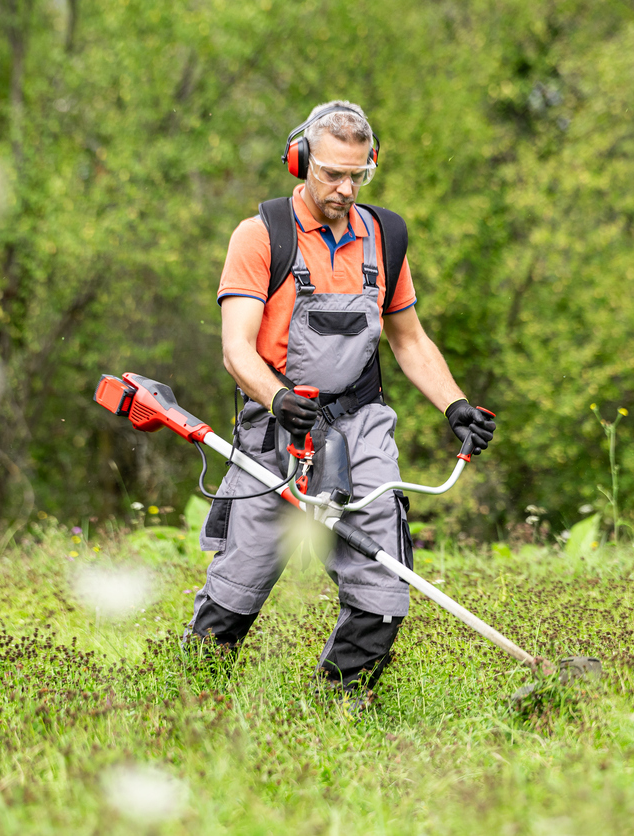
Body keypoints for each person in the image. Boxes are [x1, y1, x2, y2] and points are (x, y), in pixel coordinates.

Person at [188, 100, 496, 701]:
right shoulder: (261, 237)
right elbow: (236, 349)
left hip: (361, 427)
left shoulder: (384, 237)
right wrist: (276, 398)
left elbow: (408, 338)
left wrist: (455, 405)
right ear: (301, 160)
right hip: (276, 432)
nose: (345, 188)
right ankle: (193, 699)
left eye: (358, 174)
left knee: (384, 583)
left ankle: (336, 705)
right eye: (331, 173)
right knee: (236, 585)